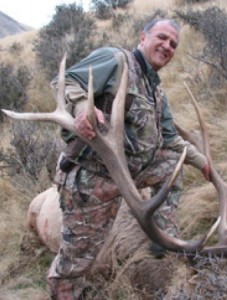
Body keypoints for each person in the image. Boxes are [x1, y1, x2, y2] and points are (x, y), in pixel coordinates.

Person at [48, 18, 211, 299]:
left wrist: (203, 163)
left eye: (173, 44)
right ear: (142, 37)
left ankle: (163, 240)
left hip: (130, 172)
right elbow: (64, 83)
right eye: (162, 37)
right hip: (93, 176)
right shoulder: (115, 60)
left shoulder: (156, 91)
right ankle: (63, 291)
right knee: (78, 260)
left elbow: (172, 140)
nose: (167, 46)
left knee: (173, 161)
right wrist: (80, 110)